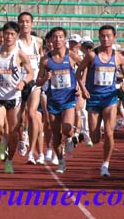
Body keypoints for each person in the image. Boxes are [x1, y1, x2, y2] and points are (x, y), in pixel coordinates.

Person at [76, 25, 124, 177]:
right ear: (98, 37)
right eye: (102, 36)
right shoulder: (92, 55)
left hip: (110, 98)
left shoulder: (118, 57)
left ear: (114, 38)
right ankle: (96, 135)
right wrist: (83, 88)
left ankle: (105, 164)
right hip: (93, 98)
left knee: (109, 132)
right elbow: (78, 72)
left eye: (108, 36)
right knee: (94, 138)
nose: (105, 39)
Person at [0, 21, 33, 174]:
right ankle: (1, 142)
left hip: (13, 96)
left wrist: (23, 82)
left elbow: (30, 72)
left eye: (12, 34)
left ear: (17, 36)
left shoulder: (20, 54)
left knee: (13, 132)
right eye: (6, 34)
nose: (8, 37)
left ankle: (9, 161)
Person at [36, 27, 80, 174]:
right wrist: (45, 78)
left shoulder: (72, 56)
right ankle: (61, 161)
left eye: (60, 37)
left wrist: (82, 84)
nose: (57, 40)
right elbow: (37, 82)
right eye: (55, 37)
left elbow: (85, 67)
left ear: (65, 40)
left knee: (67, 128)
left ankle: (69, 138)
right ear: (50, 40)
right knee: (55, 133)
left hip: (68, 98)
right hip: (53, 99)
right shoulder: (45, 60)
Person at [16, 12, 44, 163]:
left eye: (27, 21)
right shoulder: (15, 43)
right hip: (19, 84)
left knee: (32, 114)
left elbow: (43, 59)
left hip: (34, 83)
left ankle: (32, 152)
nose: (24, 24)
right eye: (22, 22)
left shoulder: (37, 42)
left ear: (32, 23)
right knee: (20, 120)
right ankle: (22, 138)